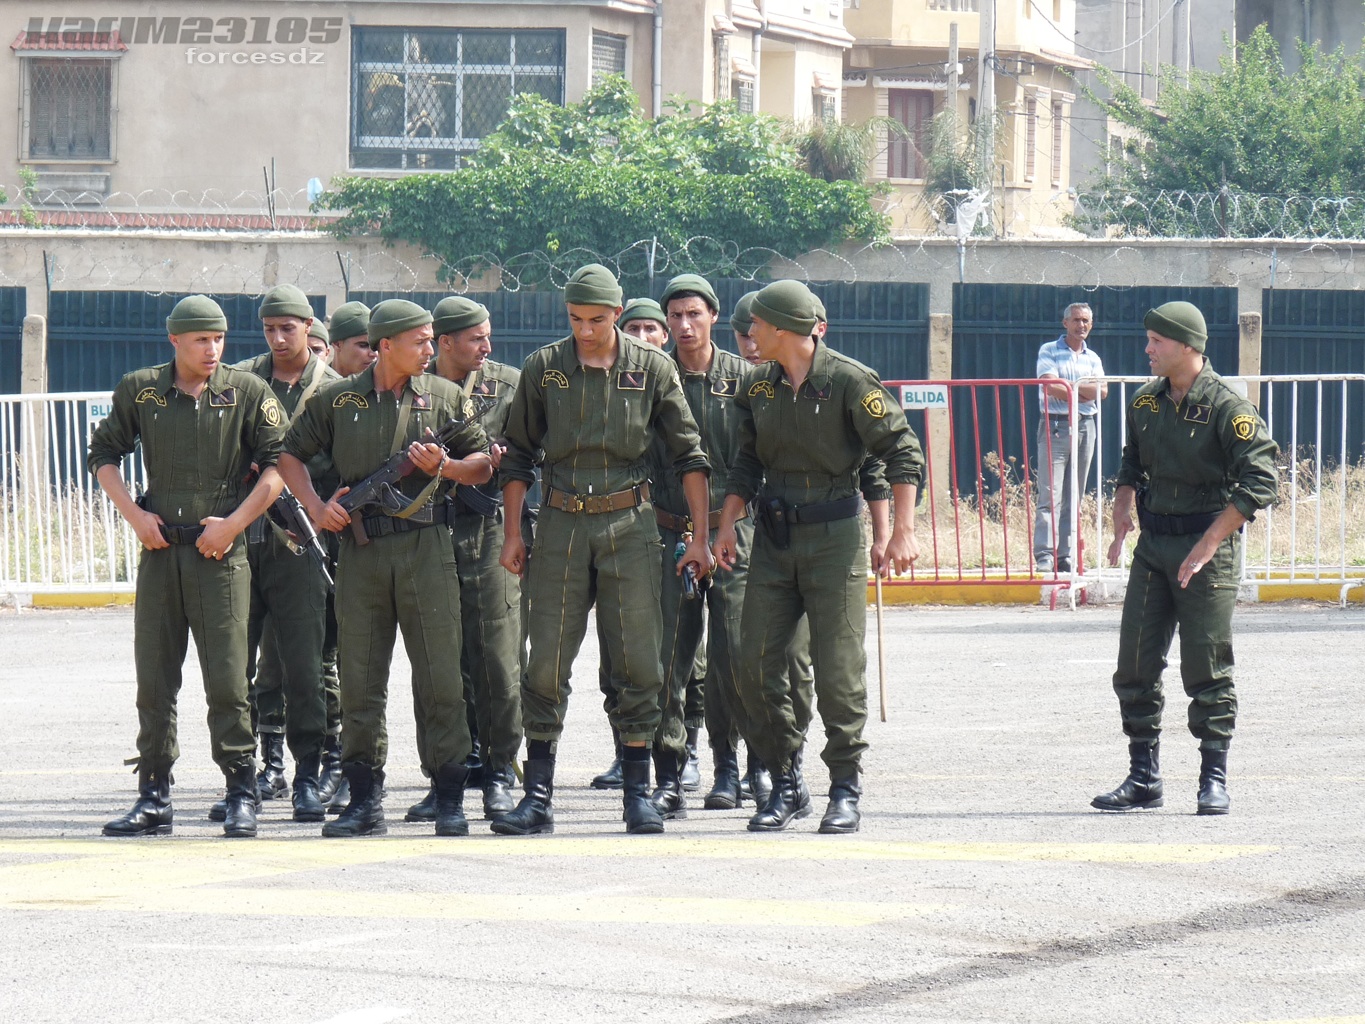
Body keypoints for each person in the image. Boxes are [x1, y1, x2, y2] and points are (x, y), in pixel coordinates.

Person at [494, 263, 712, 836]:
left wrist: (699, 538)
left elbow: (690, 456)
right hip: (563, 525)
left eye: (596, 320)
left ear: (618, 315)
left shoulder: (654, 368)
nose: (585, 331)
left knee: (640, 661)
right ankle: (537, 796)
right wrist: (515, 534)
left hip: (631, 527)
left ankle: (639, 792)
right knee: (545, 663)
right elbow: (517, 455)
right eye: (575, 319)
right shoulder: (545, 369)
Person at [713, 279, 924, 835]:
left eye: (757, 324)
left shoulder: (851, 382)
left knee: (837, 671)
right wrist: (726, 525)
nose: (749, 333)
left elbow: (902, 452)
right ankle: (786, 780)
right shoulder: (758, 389)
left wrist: (900, 532)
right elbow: (745, 464)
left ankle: (845, 786)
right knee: (752, 663)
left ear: (783, 329)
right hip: (774, 541)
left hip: (835, 538)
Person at [279, 299, 493, 838]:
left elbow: (485, 465)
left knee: (441, 676)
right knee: (361, 678)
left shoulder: (445, 396)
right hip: (362, 551)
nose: (429, 349)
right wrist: (314, 505)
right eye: (420, 341)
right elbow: (288, 456)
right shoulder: (338, 399)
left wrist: (442, 466)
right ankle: (364, 798)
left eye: (431, 340)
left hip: (427, 548)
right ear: (387, 345)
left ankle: (448, 795)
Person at [89, 295, 286, 839]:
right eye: (201, 339)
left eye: (219, 339)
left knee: (227, 681)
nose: (212, 349)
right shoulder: (142, 389)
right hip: (160, 554)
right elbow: (103, 455)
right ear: (174, 340)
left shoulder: (246, 392)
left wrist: (233, 525)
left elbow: (278, 468)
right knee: (154, 682)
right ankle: (154, 796)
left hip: (220, 557)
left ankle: (241, 791)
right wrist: (134, 515)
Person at [1093, 301, 1278, 816]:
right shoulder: (1145, 402)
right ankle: (1143, 778)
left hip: (1205, 551)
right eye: (1148, 339)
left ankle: (1212, 778)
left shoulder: (1227, 407)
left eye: (1157, 340)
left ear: (1187, 347)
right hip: (1154, 547)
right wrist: (1122, 515)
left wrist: (1212, 541)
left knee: (1207, 667)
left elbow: (1262, 480)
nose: (1147, 348)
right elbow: (1131, 462)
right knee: (1134, 663)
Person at [643, 273, 752, 820]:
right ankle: (669, 774)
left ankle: (730, 768)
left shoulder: (746, 379)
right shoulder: (650, 378)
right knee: (669, 657)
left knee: (734, 652)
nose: (684, 326)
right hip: (668, 529)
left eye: (694, 315)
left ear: (713, 316)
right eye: (676, 317)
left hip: (732, 534)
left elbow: (759, 460)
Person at [230, 285, 338, 822]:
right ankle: (242, 782)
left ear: (309, 325)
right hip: (248, 539)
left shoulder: (335, 389)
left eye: (288, 328)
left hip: (303, 545)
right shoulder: (242, 382)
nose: (277, 338)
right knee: (235, 666)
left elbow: (346, 464)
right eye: (269, 328)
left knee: (305, 667)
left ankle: (308, 778)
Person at [423, 295, 524, 822]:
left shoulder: (509, 384)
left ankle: (501, 770)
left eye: (488, 336)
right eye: (475, 338)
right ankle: (448, 772)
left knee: (495, 656)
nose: (488, 346)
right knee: (439, 661)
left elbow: (533, 450)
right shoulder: (414, 387)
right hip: (429, 530)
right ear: (445, 342)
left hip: (488, 529)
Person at [1034, 303, 1106, 574]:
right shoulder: (1049, 350)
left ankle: (1066, 555)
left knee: (1074, 494)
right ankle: (1045, 554)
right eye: (1076, 320)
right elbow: (1050, 385)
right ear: (1065, 323)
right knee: (1050, 494)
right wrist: (1083, 391)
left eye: (1086, 320)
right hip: (1056, 425)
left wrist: (1070, 389)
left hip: (1086, 426)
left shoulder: (1093, 358)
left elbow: (1104, 391)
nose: (1082, 325)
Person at [327, 301, 377, 378]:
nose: (374, 354)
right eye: (363, 345)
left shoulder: (385, 386)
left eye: (376, 346)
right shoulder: (317, 386)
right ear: (337, 344)